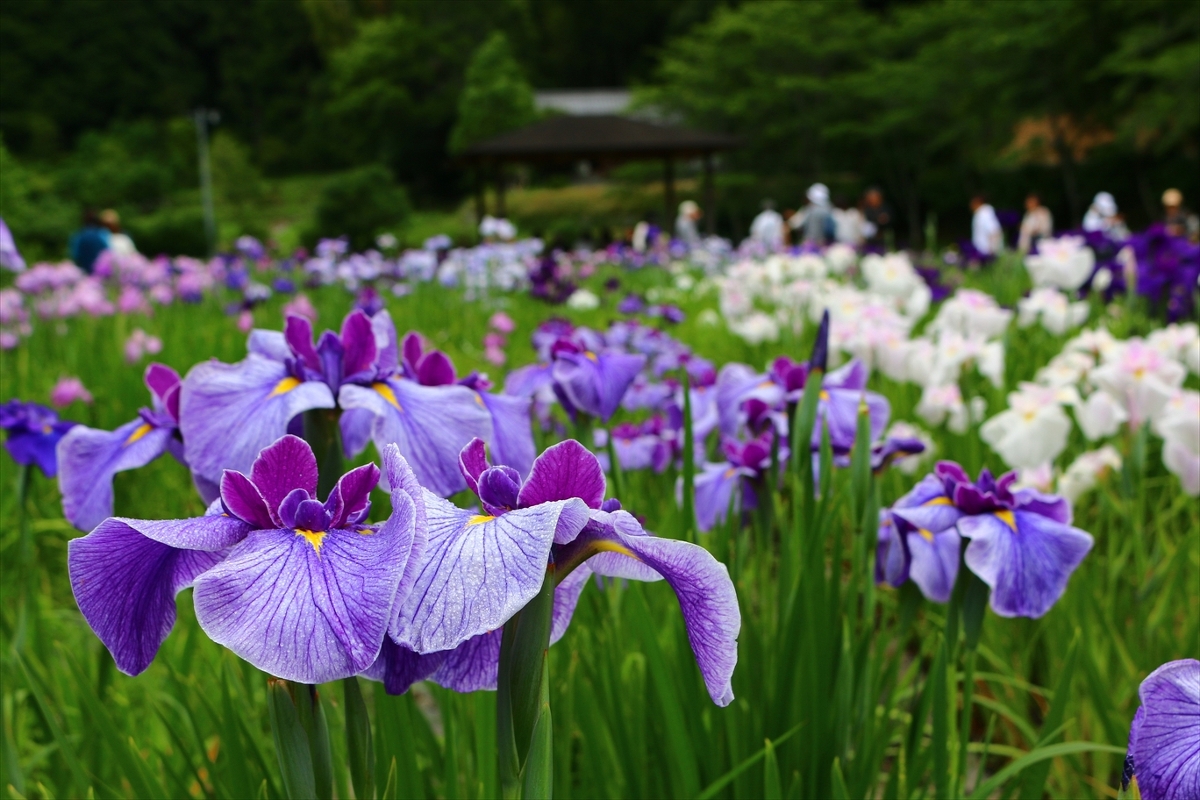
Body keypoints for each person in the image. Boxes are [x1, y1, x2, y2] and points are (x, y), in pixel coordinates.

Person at [68, 209, 110, 273]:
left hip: (84, 270)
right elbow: (108, 252)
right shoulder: (102, 234)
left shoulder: (78, 235)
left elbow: (75, 255)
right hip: (101, 272)